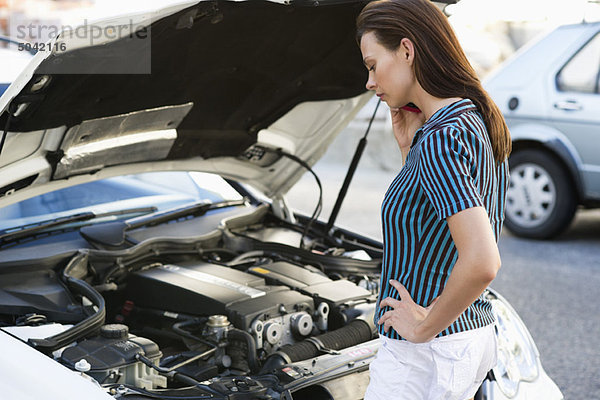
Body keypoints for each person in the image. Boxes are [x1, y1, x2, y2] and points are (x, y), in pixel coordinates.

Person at [356, 1, 511, 399]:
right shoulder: (471, 118)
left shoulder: (441, 138)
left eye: (373, 65)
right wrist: (409, 150)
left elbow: (482, 260)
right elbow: (433, 227)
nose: (369, 81)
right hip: (467, 335)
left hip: (426, 352)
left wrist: (422, 328)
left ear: (407, 50)